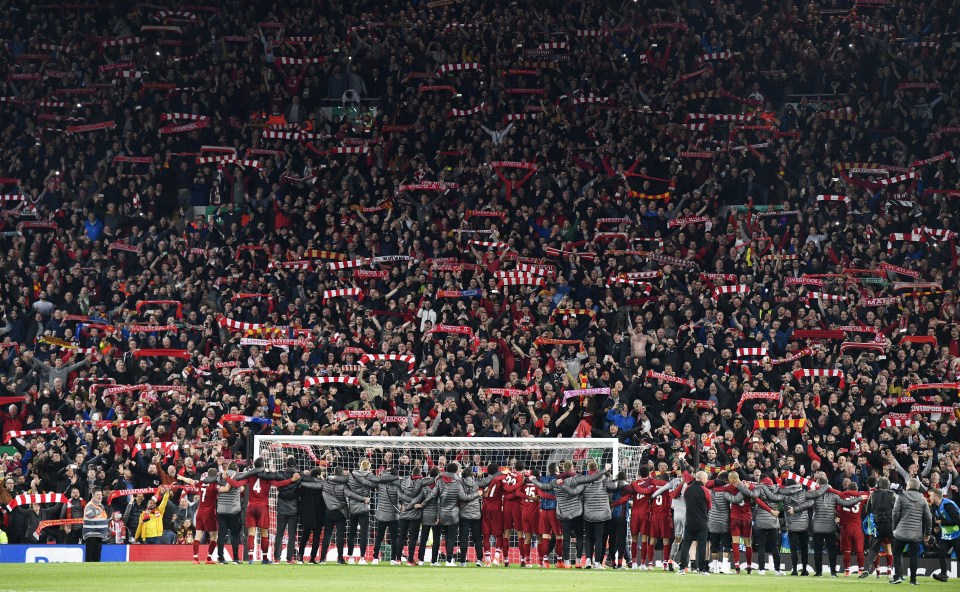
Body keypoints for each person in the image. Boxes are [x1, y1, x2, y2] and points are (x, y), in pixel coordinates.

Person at [226, 458, 300, 564]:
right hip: (263, 507)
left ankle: (251, 558)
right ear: (263, 466)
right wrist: (291, 480)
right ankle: (265, 558)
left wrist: (226, 478)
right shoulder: (266, 477)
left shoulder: (250, 476)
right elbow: (279, 484)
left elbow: (237, 485)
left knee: (251, 533)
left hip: (251, 507)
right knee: (264, 533)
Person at [422, 461, 477, 567]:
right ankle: (449, 561)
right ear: (456, 471)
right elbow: (464, 497)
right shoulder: (458, 482)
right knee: (450, 538)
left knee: (437, 537)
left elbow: (433, 495)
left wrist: (422, 504)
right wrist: (476, 494)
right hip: (453, 514)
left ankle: (434, 561)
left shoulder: (439, 480)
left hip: (441, 513)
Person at [346, 459, 398, 564]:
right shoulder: (369, 476)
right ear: (369, 468)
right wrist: (395, 477)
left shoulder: (351, 475)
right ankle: (362, 558)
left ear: (360, 466)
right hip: (364, 507)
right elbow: (377, 482)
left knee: (351, 533)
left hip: (352, 507)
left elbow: (348, 490)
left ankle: (351, 557)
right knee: (364, 534)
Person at [890, 478, 932, 585]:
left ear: (908, 486)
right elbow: (928, 517)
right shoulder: (923, 499)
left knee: (897, 553)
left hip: (901, 532)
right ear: (918, 487)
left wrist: (894, 527)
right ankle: (913, 580)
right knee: (914, 555)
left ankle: (897, 576)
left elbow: (895, 513)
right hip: (915, 534)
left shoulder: (901, 496)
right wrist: (927, 533)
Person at [177, 470, 221, 564]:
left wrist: (182, 478)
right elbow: (224, 490)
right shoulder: (215, 485)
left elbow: (191, 481)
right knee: (214, 537)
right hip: (209, 513)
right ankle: (208, 559)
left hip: (199, 512)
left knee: (198, 535)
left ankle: (195, 559)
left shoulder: (201, 483)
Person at [861, 477, 897, 579]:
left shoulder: (873, 495)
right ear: (888, 485)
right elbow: (897, 509)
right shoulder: (893, 495)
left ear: (878, 485)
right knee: (895, 549)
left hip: (877, 525)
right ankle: (898, 572)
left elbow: (868, 510)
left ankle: (867, 569)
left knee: (873, 549)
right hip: (890, 525)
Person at [677, 471, 710, 575]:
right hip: (702, 521)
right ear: (702, 479)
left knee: (686, 545)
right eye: (706, 479)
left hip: (689, 521)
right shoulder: (705, 490)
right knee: (701, 545)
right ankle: (701, 570)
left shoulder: (687, 489)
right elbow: (709, 505)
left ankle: (682, 569)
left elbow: (686, 501)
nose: (707, 481)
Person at [397, 467, 427, 566]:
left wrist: (405, 507)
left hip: (404, 513)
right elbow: (419, 498)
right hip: (415, 514)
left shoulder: (404, 482)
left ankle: (398, 559)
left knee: (401, 537)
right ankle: (410, 560)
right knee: (412, 538)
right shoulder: (422, 484)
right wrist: (411, 505)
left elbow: (400, 494)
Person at [928, 488, 960, 583]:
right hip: (947, 535)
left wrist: (942, 522)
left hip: (957, 534)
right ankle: (943, 575)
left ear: (936, 497)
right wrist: (939, 527)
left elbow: (957, 520)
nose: (929, 497)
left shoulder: (948, 505)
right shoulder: (936, 507)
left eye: (931, 495)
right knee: (941, 552)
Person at [82, 488, 108, 562]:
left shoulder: (101, 506)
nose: (100, 496)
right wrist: (98, 510)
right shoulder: (90, 505)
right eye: (97, 495)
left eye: (101, 495)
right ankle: (88, 571)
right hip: (91, 534)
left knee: (97, 554)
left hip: (99, 534)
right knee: (90, 555)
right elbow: (89, 514)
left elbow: (102, 519)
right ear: (93, 496)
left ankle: (96, 571)